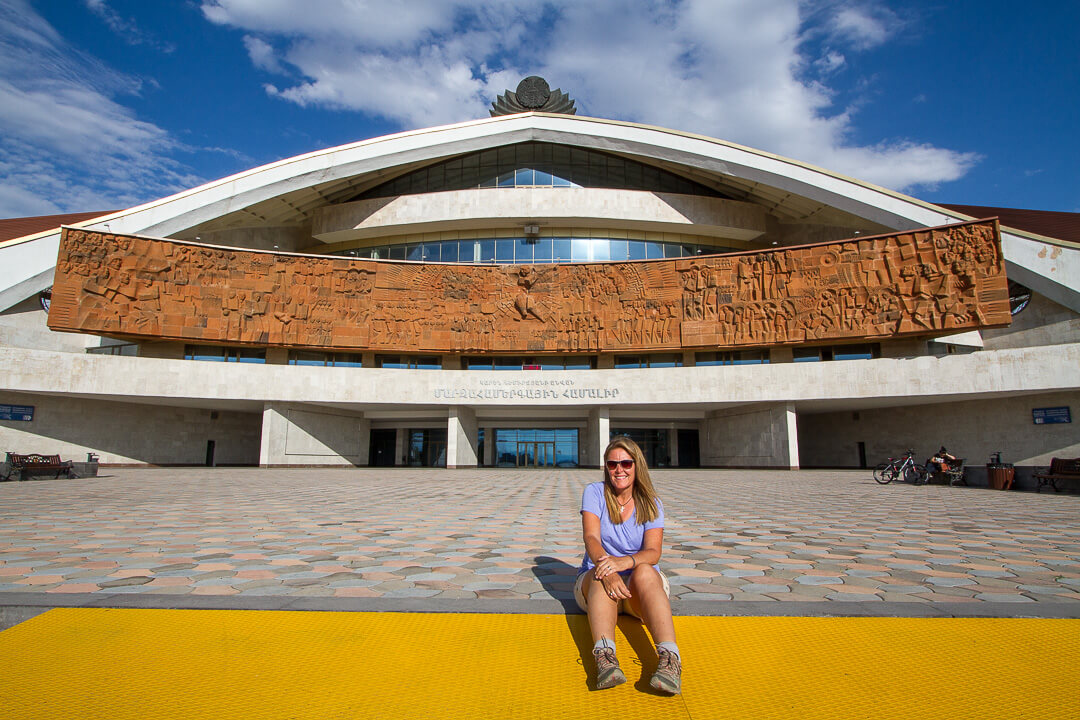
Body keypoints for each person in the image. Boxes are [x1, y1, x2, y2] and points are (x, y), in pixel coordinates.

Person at [574, 436, 681, 694]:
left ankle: (669, 661)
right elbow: (591, 537)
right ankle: (605, 659)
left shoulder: (652, 503)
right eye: (612, 464)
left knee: (644, 570)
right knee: (600, 575)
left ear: (637, 465)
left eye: (625, 463)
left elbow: (653, 553)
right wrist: (607, 568)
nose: (618, 470)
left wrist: (624, 563)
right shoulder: (595, 492)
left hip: (638, 591)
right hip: (598, 585)